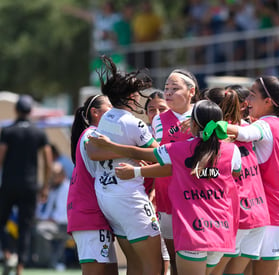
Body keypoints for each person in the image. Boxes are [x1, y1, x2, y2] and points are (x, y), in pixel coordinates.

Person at [89, 100, 242, 275]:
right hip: (221, 229)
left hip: (193, 231)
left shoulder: (177, 149)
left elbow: (137, 152)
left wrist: (110, 146)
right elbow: (234, 175)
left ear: (193, 123)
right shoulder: (233, 151)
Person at [86, 55, 162, 275]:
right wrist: (133, 153)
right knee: (152, 265)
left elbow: (93, 151)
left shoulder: (106, 118)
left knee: (135, 264)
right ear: (131, 96)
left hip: (107, 195)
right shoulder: (134, 122)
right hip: (130, 198)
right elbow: (160, 155)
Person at [225, 76, 279, 274]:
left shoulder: (266, 125)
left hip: (275, 216)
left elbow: (243, 134)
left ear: (268, 101)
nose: (247, 101)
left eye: (252, 95)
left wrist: (206, 122)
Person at [206, 86, 270, 275]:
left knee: (212, 272)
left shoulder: (216, 134)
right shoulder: (246, 128)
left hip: (239, 214)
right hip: (259, 212)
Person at [151, 69, 199, 275]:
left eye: (174, 88)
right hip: (167, 197)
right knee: (174, 260)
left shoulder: (204, 114)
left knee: (196, 258)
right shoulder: (159, 120)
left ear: (191, 91)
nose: (168, 93)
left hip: (197, 198)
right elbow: (160, 155)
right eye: (166, 88)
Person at [0, 94, 53, 275]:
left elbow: (1, 157)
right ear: (31, 111)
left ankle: (8, 254)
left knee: (1, 222)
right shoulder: (38, 132)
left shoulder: (8, 131)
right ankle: (20, 267)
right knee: (25, 227)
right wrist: (45, 186)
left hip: (8, 184)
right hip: (30, 185)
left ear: (16, 110)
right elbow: (48, 161)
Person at [67, 94, 118, 275]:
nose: (115, 113)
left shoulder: (91, 135)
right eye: (110, 108)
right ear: (95, 113)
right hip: (89, 217)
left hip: (94, 216)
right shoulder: (93, 135)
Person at [143, 90, 170, 275]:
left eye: (162, 108)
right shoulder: (139, 134)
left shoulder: (174, 133)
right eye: (152, 109)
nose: (156, 114)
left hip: (167, 199)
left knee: (167, 253)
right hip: (143, 202)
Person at [35, 161, 70, 270]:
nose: (52, 178)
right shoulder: (53, 188)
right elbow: (46, 209)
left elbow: (65, 214)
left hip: (64, 225)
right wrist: (40, 217)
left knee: (40, 230)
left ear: (62, 175)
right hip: (53, 222)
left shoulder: (67, 188)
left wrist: (49, 219)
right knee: (32, 227)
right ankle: (40, 260)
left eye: (55, 175)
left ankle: (48, 261)